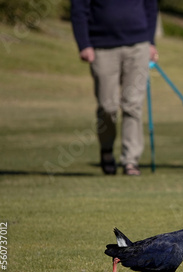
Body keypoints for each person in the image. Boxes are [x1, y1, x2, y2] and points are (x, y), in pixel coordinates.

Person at [70, 0, 159, 175]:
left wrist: (151, 41)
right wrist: (84, 43)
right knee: (107, 106)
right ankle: (107, 150)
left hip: (138, 44)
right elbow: (79, 9)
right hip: (102, 46)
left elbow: (150, 6)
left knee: (133, 105)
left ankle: (130, 161)